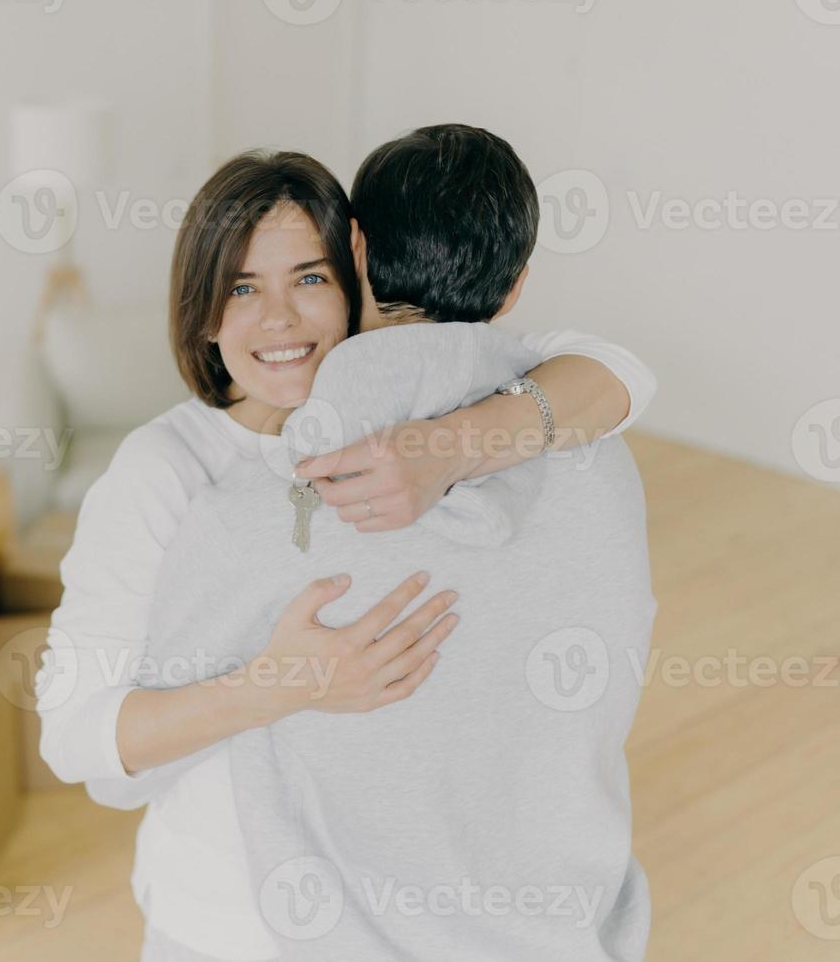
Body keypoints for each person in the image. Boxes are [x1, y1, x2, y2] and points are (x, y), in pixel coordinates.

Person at [35, 141, 656, 961]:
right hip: (227, 916)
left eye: (309, 279)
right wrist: (284, 685)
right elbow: (77, 738)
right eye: (241, 288)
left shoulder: (427, 411)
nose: (279, 319)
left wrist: (449, 446)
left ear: (358, 269)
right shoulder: (169, 475)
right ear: (204, 312)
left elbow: (620, 372)